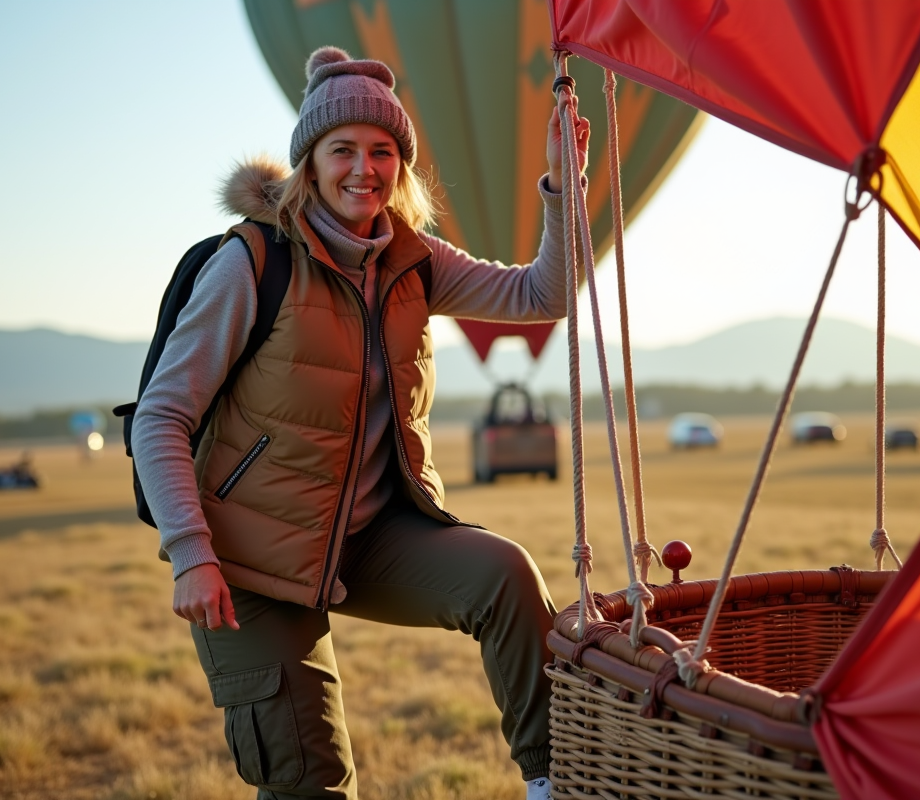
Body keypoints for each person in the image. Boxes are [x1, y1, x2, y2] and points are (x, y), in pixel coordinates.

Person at [132, 46, 589, 800]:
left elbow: (544, 296)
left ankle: (552, 784)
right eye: (342, 149)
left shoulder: (413, 259)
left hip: (370, 535)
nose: (363, 169)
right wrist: (191, 553)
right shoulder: (253, 261)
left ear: (401, 166)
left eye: (383, 151)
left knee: (503, 574)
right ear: (308, 163)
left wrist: (560, 187)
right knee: (311, 779)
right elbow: (162, 417)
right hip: (247, 561)